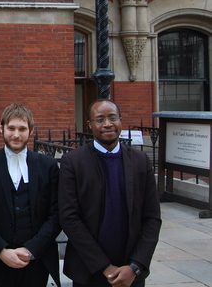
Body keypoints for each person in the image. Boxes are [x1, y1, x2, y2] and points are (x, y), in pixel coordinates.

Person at [59, 99, 162, 287]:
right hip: (88, 271)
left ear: (120, 121)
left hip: (131, 273)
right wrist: (104, 267)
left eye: (113, 118)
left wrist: (135, 266)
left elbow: (152, 218)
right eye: (100, 119)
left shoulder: (140, 161)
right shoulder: (73, 162)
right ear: (90, 125)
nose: (107, 124)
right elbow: (69, 218)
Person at [0, 103, 61, 287]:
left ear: (31, 130)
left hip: (36, 263)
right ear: (1, 128)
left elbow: (56, 215)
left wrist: (31, 250)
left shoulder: (48, 166)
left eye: (22, 129)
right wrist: (1, 251)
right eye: (11, 128)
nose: (16, 134)